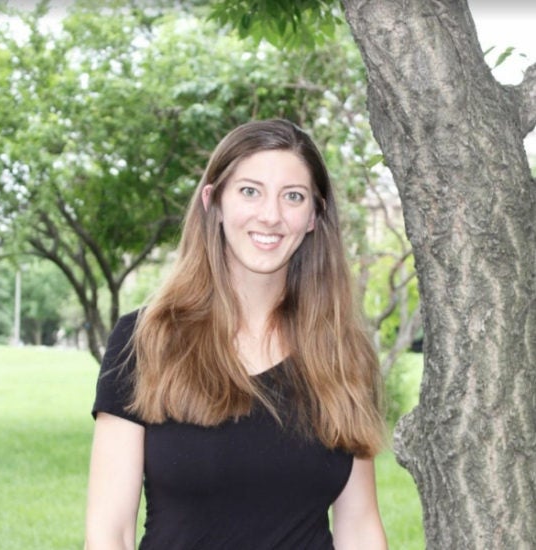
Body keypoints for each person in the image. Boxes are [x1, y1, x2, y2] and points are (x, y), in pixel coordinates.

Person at [84, 118, 388, 550]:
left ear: (314, 217)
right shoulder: (145, 340)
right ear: (214, 202)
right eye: (250, 191)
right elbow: (108, 532)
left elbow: (359, 527)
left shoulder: (342, 351)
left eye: (293, 197)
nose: (271, 215)